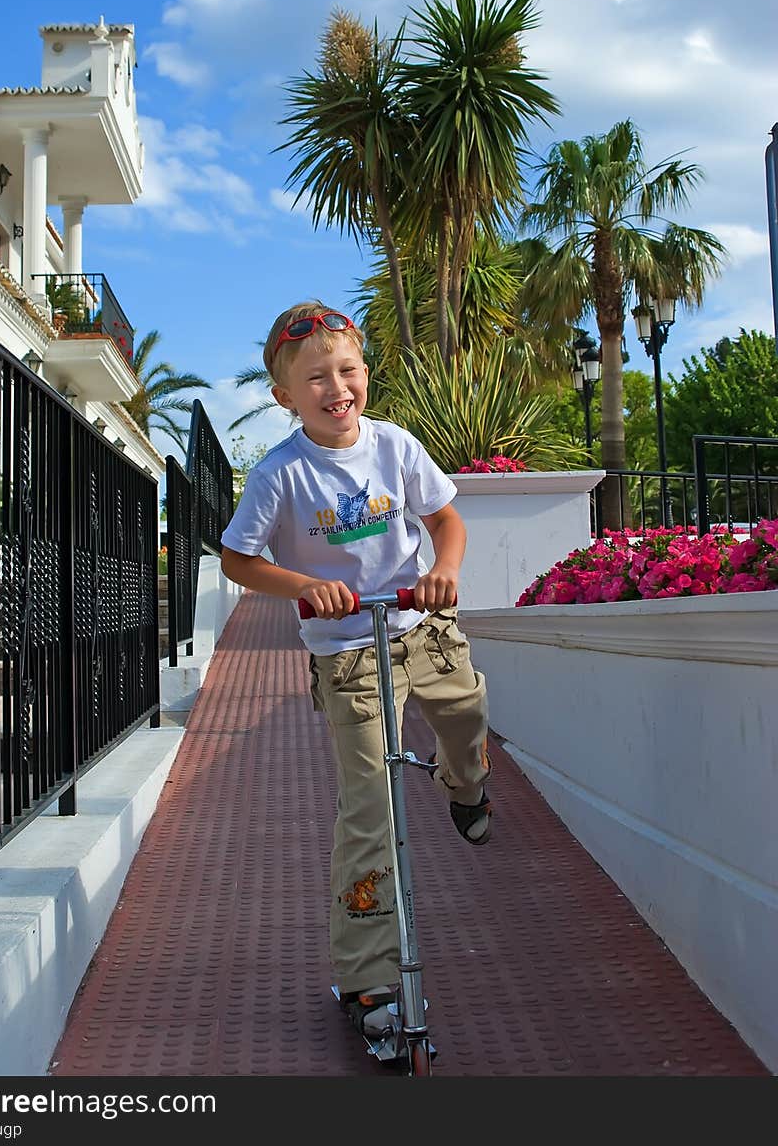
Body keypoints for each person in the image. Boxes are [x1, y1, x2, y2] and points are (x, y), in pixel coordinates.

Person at [220, 301, 492, 1038]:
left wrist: (446, 568)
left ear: (364, 374)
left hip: (419, 621)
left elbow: (445, 519)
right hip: (347, 651)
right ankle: (371, 978)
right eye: (315, 378)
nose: (335, 387)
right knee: (371, 808)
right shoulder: (280, 474)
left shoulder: (395, 446)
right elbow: (238, 558)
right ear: (284, 396)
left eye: (346, 370)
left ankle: (465, 785)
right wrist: (304, 586)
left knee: (466, 715)